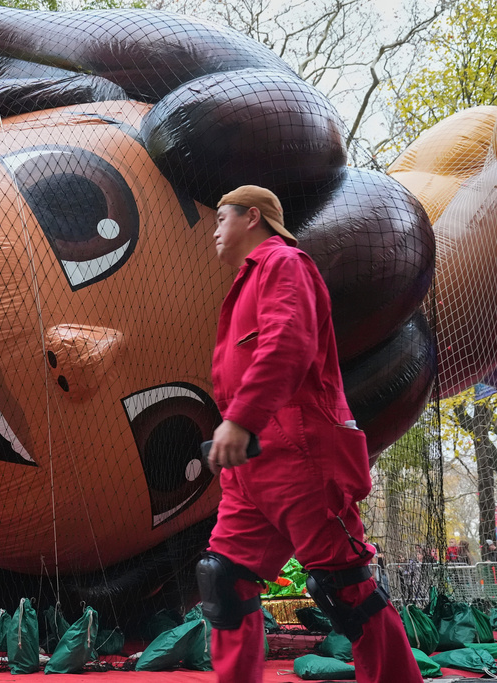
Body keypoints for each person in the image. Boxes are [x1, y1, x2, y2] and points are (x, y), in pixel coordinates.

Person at [197, 186, 421, 683]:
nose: (214, 229)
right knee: (223, 581)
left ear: (252, 217)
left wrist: (241, 418)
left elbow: (287, 343)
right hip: (251, 464)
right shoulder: (243, 284)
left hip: (302, 456)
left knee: (344, 587)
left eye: (221, 217)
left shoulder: (284, 264)